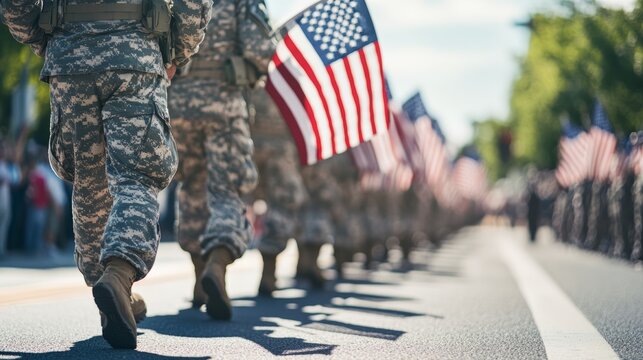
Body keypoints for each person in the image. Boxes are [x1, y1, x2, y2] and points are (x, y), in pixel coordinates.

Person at [2, 0, 211, 349]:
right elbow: (193, 5)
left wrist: (46, 40)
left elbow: (15, 4)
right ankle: (118, 272)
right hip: (134, 56)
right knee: (138, 176)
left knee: (89, 183)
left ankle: (112, 293)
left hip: (70, 59)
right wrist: (175, 53)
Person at [168, 0, 274, 320]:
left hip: (180, 100)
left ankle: (199, 279)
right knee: (226, 191)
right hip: (223, 100)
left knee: (192, 186)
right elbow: (259, 49)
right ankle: (216, 266)